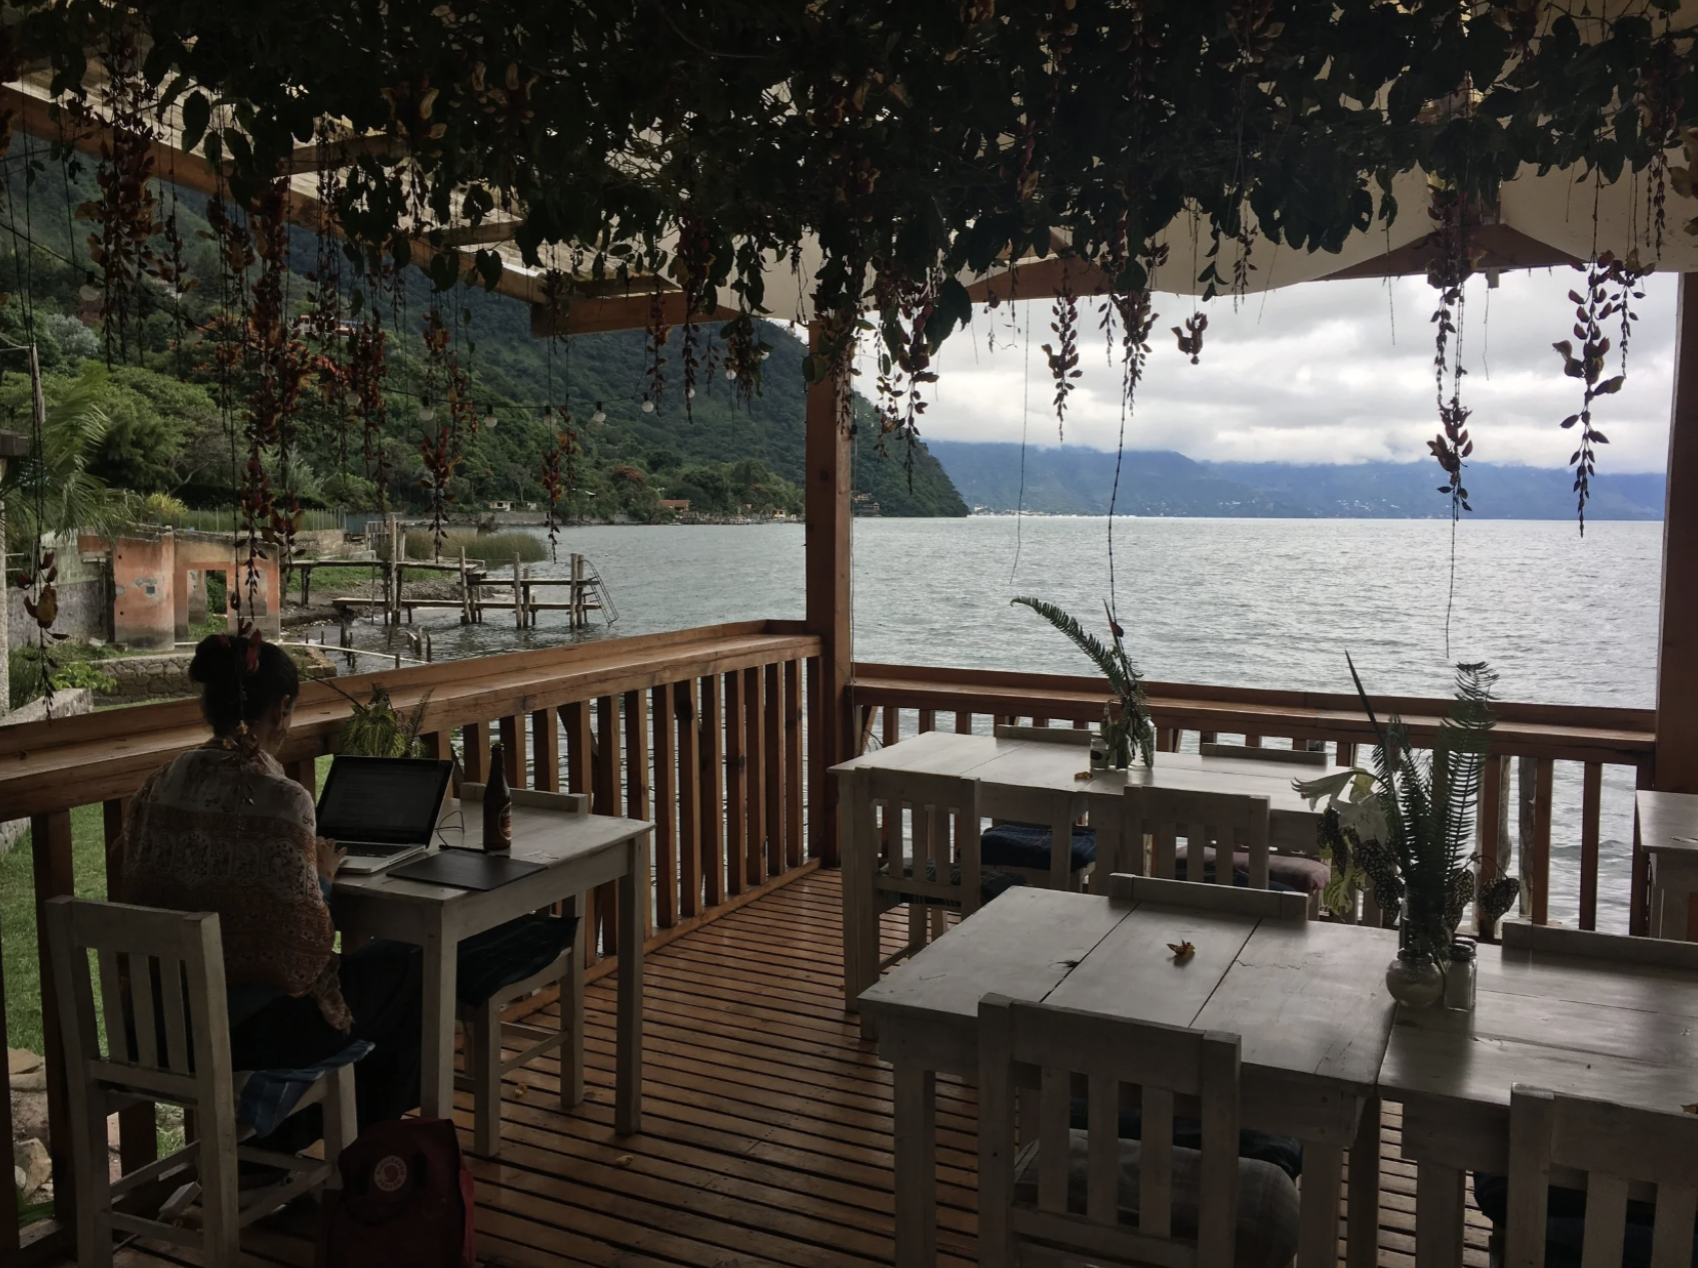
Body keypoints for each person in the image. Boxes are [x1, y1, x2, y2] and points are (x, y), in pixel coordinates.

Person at [116, 632, 423, 1144]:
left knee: (383, 983)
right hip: (237, 1038)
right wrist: (322, 877)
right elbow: (304, 949)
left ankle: (275, 1149)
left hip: (152, 1030)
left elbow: (128, 868)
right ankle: (366, 1158)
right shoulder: (282, 798)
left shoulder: (157, 784)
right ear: (282, 709)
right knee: (406, 966)